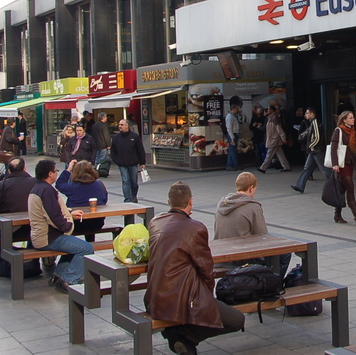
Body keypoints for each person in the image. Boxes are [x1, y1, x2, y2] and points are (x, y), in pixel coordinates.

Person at [145, 181, 244, 355]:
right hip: (182, 299)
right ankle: (184, 336)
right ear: (190, 201)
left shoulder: (155, 222)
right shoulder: (196, 228)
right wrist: (207, 297)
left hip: (155, 298)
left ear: (169, 202)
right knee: (236, 320)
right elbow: (206, 270)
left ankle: (181, 336)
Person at [28, 159, 94, 292]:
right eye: (55, 171)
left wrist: (70, 212)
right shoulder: (46, 190)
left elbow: (54, 209)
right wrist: (68, 225)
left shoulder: (38, 188)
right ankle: (69, 279)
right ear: (50, 174)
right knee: (86, 248)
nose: (56, 174)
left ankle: (58, 276)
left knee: (74, 247)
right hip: (48, 237)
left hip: (42, 235)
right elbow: (54, 216)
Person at [214, 172, 291, 278]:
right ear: (251, 188)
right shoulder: (253, 207)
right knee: (285, 254)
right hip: (243, 258)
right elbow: (262, 236)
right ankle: (273, 285)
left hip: (221, 255)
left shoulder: (222, 204)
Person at [0, 158, 36, 262]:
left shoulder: (0, 185)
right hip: (33, 227)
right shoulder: (36, 183)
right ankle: (33, 258)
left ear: (9, 171)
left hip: (9, 229)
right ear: (24, 168)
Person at [56, 159, 108, 240]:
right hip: (97, 223)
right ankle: (90, 243)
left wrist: (68, 170)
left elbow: (59, 184)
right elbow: (105, 199)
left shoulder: (73, 187)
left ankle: (71, 249)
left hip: (77, 224)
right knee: (91, 222)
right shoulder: (99, 184)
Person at [291, 107, 331, 193]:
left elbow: (317, 137)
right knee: (307, 168)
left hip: (316, 150)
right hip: (313, 150)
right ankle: (300, 185)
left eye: (307, 113)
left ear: (312, 114)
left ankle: (335, 183)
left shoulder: (315, 122)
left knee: (324, 168)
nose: (306, 115)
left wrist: (310, 146)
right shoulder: (313, 122)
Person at [111, 118, 146, 203]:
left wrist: (142, 162)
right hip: (122, 164)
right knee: (125, 181)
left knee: (134, 181)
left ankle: (133, 196)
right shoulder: (116, 138)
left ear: (127, 126)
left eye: (122, 125)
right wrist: (116, 160)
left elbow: (140, 149)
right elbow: (113, 151)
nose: (120, 126)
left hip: (133, 163)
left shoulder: (134, 136)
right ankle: (128, 199)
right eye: (119, 125)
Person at [258, 105, 291, 173]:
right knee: (280, 154)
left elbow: (279, 129)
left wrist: (283, 138)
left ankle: (263, 168)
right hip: (274, 139)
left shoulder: (274, 118)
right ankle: (286, 167)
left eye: (269, 109)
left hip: (274, 139)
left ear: (272, 110)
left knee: (269, 155)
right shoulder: (271, 118)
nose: (268, 110)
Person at [224, 103, 241, 172]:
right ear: (233, 109)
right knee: (232, 150)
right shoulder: (230, 117)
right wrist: (232, 138)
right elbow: (229, 128)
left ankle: (231, 164)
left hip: (234, 134)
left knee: (232, 150)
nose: (238, 110)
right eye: (237, 109)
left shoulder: (232, 116)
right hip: (232, 134)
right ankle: (233, 164)